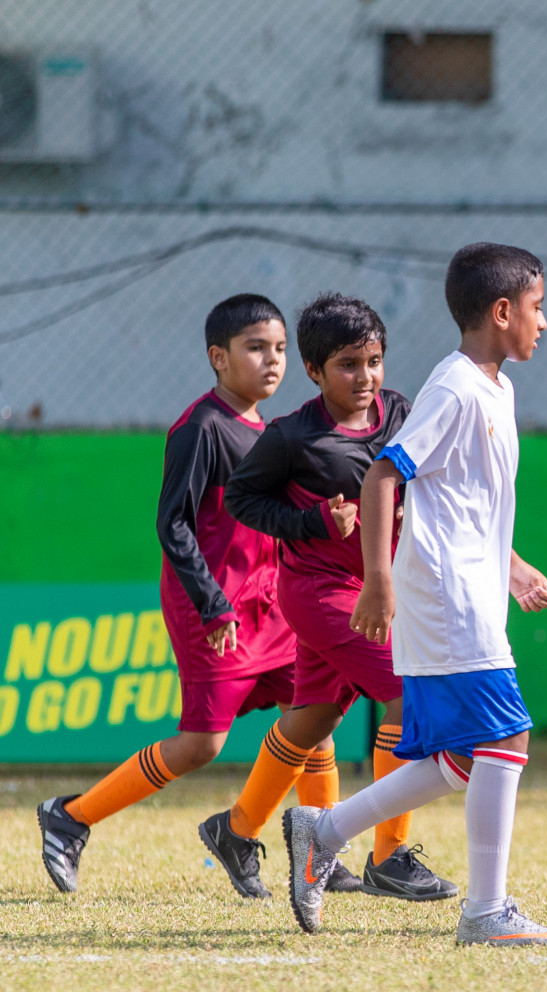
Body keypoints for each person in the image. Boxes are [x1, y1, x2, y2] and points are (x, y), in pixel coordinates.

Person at [281, 243, 547, 947]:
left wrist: (514, 566)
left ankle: (326, 829)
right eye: (537, 308)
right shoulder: (456, 387)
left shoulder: (496, 387)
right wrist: (378, 582)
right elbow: (385, 475)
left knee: (467, 756)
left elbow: (463, 502)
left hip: (473, 587)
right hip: (447, 595)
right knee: (508, 734)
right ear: (502, 312)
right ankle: (485, 911)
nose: (545, 321)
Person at [37, 295, 341, 892]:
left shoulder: (270, 430)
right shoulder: (200, 427)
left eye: (279, 348)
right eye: (256, 348)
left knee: (313, 718)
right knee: (203, 743)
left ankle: (322, 856)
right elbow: (172, 523)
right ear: (218, 358)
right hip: (213, 606)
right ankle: (69, 818)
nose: (272, 360)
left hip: (269, 604)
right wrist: (211, 602)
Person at [199, 293, 454, 901]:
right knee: (411, 695)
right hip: (322, 593)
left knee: (313, 719)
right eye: (347, 364)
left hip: (375, 587)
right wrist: (313, 521)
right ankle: (389, 858)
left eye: (373, 361)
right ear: (313, 371)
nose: (364, 377)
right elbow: (242, 501)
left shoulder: (399, 411)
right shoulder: (292, 437)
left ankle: (235, 830)